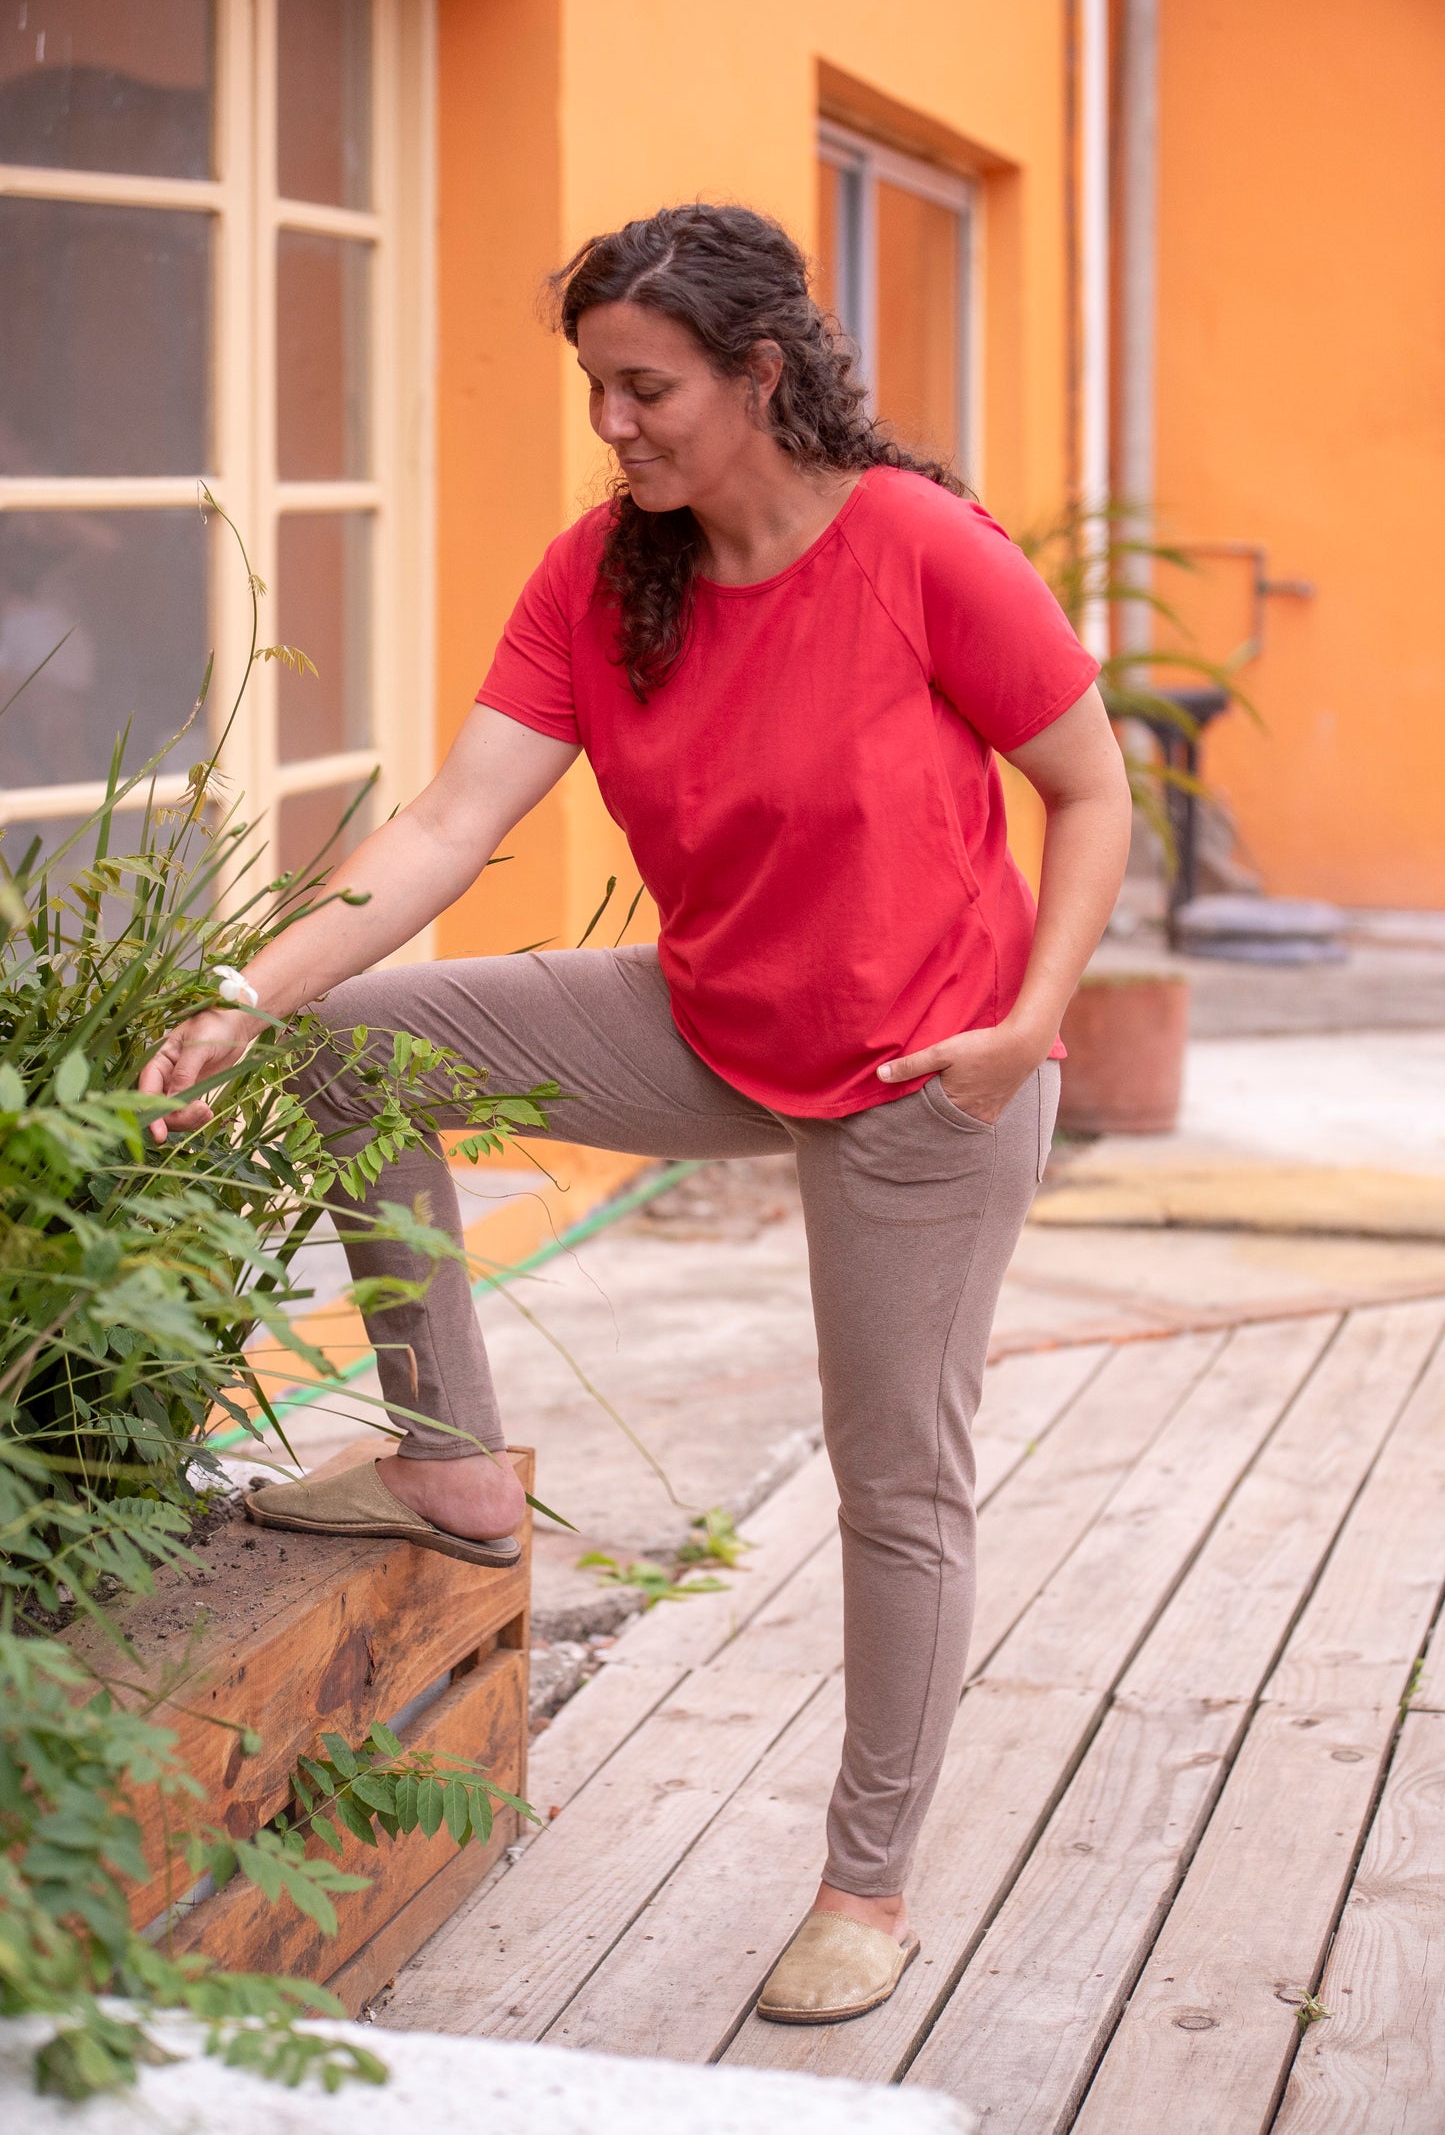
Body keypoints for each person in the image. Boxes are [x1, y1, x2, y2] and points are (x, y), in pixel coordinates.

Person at [141, 204, 1131, 2026]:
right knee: (352, 1040)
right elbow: (447, 829)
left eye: (646, 387)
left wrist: (1032, 1023)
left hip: (932, 1068)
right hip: (710, 1020)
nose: (614, 421)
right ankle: (449, 1465)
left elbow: (1089, 788)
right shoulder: (602, 576)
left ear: (760, 375)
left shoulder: (918, 547)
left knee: (893, 1477)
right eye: (596, 385)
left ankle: (867, 1881)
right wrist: (239, 991)